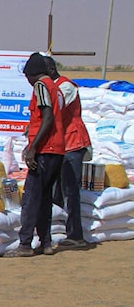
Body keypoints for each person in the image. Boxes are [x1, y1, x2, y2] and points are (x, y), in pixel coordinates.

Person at [5, 53, 66, 258]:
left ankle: (25, 243)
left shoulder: (41, 86)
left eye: (27, 77)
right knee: (45, 198)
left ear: (31, 74)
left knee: (31, 198)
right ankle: (46, 242)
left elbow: (47, 118)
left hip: (45, 150)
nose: (28, 82)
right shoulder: (55, 87)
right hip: (56, 149)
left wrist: (33, 148)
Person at [46, 59, 92, 250]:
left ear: (50, 70)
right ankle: (57, 230)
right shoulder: (53, 87)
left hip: (72, 143)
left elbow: (55, 108)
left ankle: (75, 235)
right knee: (55, 189)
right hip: (60, 144)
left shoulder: (66, 86)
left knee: (69, 190)